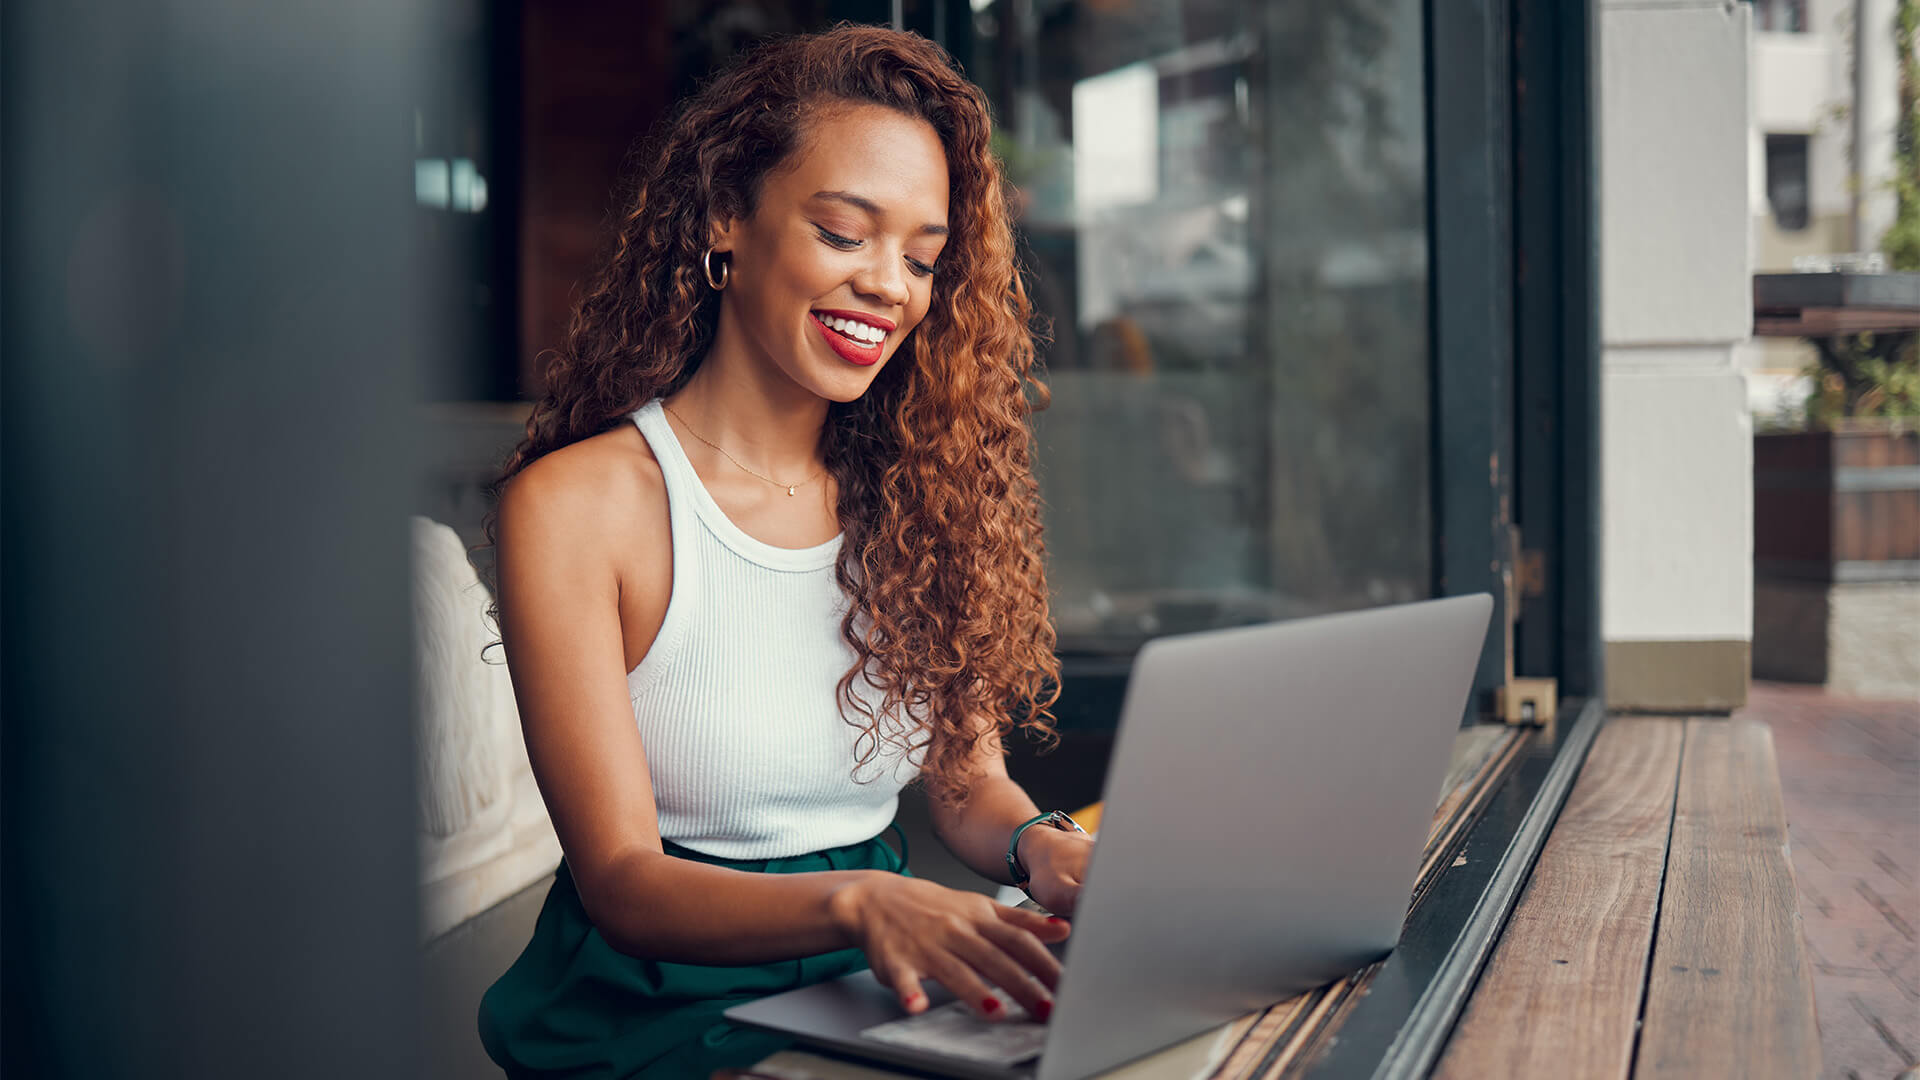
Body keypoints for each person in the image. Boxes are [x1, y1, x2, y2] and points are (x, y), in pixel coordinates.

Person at [474, 25, 1094, 1080]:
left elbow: (965, 786)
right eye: (845, 234)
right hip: (655, 1008)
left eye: (921, 258)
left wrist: (1044, 850)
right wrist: (865, 901)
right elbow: (622, 880)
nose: (889, 287)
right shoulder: (578, 506)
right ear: (727, 219)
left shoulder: (919, 493)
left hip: (873, 983)